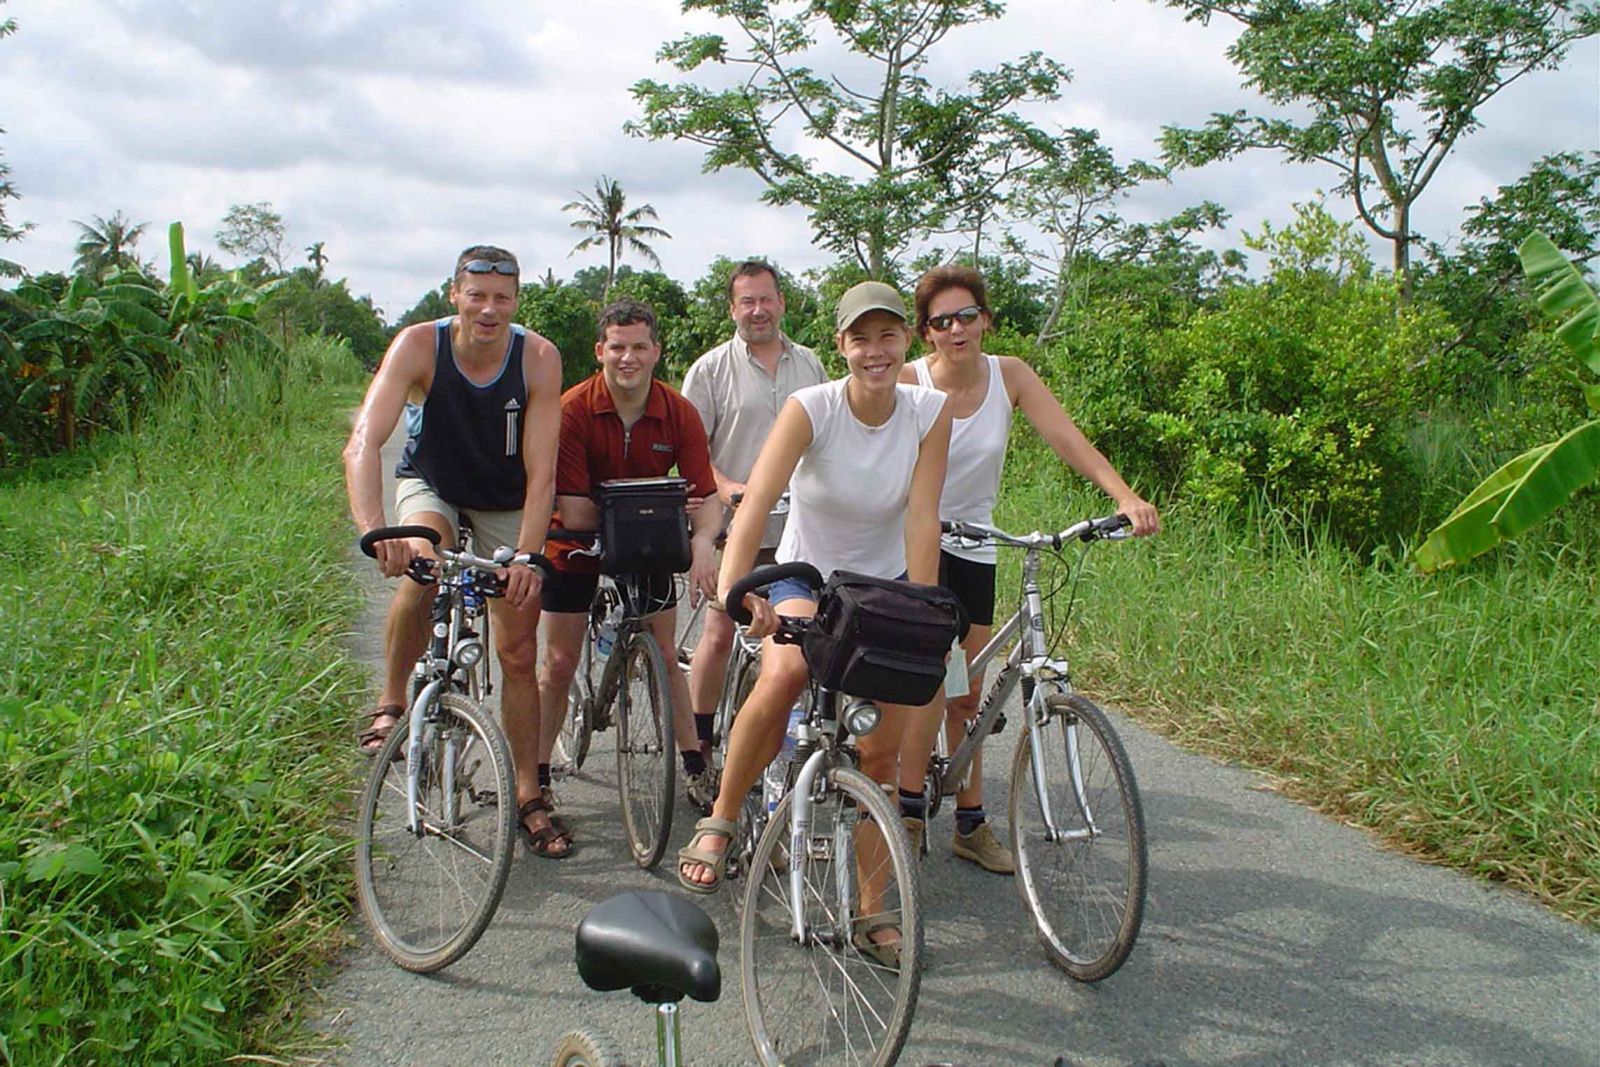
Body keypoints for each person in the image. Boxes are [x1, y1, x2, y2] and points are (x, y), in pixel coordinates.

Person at [677, 281, 952, 967]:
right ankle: (724, 814)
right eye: (861, 338)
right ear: (841, 346)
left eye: (889, 336)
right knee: (790, 668)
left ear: (906, 343)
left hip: (881, 582)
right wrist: (741, 590)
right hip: (804, 574)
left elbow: (922, 516)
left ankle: (871, 907)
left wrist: (919, 607)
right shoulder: (812, 406)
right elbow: (761, 498)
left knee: (882, 753)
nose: (876, 350)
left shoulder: (928, 412)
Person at [895, 264, 1160, 873]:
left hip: (978, 543)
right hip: (914, 543)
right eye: (941, 321)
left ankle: (970, 822)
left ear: (986, 319)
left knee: (968, 695)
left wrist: (1123, 496)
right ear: (926, 333)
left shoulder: (1008, 374)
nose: (956, 330)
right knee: (927, 683)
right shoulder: (908, 381)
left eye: (967, 316)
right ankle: (907, 809)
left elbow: (1068, 439)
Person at [342, 244, 563, 854]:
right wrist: (375, 529)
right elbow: (364, 442)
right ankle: (391, 701)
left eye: (502, 298)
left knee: (518, 652)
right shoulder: (419, 346)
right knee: (423, 559)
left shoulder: (538, 357)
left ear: (516, 302)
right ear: (454, 294)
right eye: (477, 295)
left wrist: (526, 555)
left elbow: (543, 474)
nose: (489, 310)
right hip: (433, 483)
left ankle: (528, 793)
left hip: (505, 496)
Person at [534, 298, 723, 857]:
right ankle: (537, 775)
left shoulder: (678, 411)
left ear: (656, 351)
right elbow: (571, 508)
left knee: (666, 655)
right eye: (617, 346)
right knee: (560, 662)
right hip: (577, 541)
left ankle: (694, 763)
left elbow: (706, 496)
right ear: (600, 351)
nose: (628, 357)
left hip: (645, 538)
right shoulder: (572, 409)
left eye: (640, 346)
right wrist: (659, 512)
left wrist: (704, 543)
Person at [679, 260, 827, 811]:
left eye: (766, 300)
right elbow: (693, 455)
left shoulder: (811, 365)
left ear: (782, 303)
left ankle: (793, 755)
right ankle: (700, 748)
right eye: (747, 302)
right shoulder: (711, 370)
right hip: (734, 525)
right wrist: (731, 486)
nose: (758, 310)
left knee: (797, 646)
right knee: (720, 633)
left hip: (797, 533)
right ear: (733, 308)